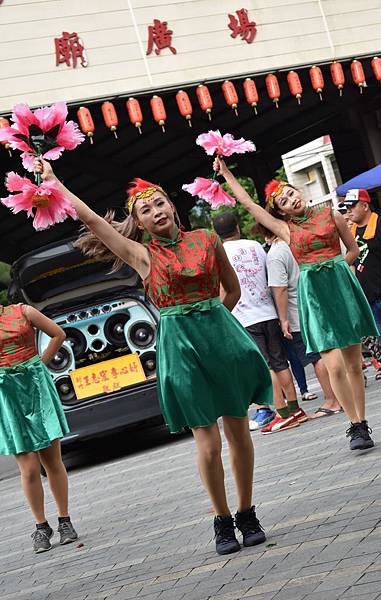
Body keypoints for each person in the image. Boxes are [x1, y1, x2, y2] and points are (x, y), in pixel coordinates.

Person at [34, 159, 271, 557]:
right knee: (207, 441)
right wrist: (57, 183)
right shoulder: (141, 255)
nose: (156, 211)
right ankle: (222, 518)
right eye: (146, 210)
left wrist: (213, 324)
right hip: (180, 347)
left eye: (160, 203)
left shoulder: (207, 241)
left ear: (172, 206)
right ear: (139, 223)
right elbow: (94, 222)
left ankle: (247, 511)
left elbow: (231, 291)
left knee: (239, 431)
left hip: (221, 338)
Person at [214, 157, 378, 451]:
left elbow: (352, 251)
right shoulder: (285, 231)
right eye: (284, 200)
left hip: (340, 288)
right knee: (333, 365)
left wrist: (336, 268)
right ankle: (353, 424)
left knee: (354, 363)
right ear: (280, 211)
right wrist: (227, 174)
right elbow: (249, 206)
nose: (291, 199)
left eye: (291, 192)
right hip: (314, 296)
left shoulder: (333, 215)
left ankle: (362, 422)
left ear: (299, 192)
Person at [213, 212, 308, 433]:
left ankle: (281, 413)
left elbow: (222, 288)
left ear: (217, 234)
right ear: (237, 227)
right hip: (268, 312)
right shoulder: (256, 246)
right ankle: (295, 409)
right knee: (280, 361)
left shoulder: (219, 253)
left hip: (244, 318)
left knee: (264, 369)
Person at [0, 303, 78, 553]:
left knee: (51, 460)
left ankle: (65, 521)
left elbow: (58, 333)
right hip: (8, 396)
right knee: (29, 468)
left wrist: (40, 364)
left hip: (37, 388)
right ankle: (41, 527)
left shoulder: (23, 312)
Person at [263, 226, 342, 418]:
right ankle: (340, 395)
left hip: (297, 312)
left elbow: (280, 289)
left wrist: (283, 320)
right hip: (316, 305)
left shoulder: (275, 254)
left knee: (317, 357)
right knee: (327, 352)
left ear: (266, 234)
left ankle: (332, 400)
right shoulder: (298, 242)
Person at [341, 188, 381, 393]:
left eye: (352, 207)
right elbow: (353, 262)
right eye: (346, 208)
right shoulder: (353, 233)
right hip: (369, 295)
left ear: (365, 206)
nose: (348, 212)